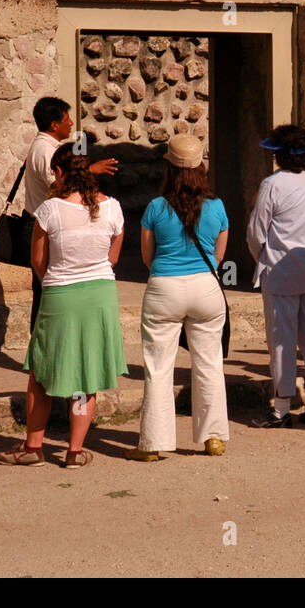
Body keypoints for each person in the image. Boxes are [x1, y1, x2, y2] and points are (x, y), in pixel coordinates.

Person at [0, 143, 127, 468]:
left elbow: (38, 260)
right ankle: (74, 450)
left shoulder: (49, 209)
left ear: (58, 172)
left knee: (41, 371)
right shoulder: (112, 208)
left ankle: (33, 446)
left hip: (60, 293)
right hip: (100, 295)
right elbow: (112, 258)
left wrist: (56, 280)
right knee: (88, 372)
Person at [130, 135, 231, 458]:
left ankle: (153, 444)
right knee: (209, 362)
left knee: (159, 367)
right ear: (201, 167)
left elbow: (147, 257)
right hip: (206, 288)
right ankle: (213, 436)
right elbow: (218, 256)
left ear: (169, 168)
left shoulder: (156, 207)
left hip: (165, 287)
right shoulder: (217, 206)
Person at [246, 124, 305, 428]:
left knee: (282, 338)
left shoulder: (273, 184)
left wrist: (262, 258)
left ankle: (281, 408)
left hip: (282, 271)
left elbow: (256, 233)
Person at [20, 97, 117, 331]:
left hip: (46, 225)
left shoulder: (48, 147)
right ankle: (42, 349)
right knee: (45, 294)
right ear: (54, 125)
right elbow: (60, 186)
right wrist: (90, 170)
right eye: (66, 119)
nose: (71, 123)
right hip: (43, 228)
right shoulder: (45, 151)